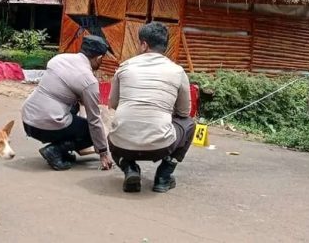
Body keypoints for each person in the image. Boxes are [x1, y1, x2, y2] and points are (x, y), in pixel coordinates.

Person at [108, 22, 196, 193]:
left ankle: (129, 169)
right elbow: (184, 112)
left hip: (122, 145)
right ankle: (163, 177)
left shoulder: (124, 67)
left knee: (113, 128)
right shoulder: (177, 71)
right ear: (164, 46)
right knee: (189, 125)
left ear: (144, 45)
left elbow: (113, 104)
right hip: (161, 145)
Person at [22, 35, 114, 171]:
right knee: (91, 131)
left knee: (74, 106)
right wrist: (103, 152)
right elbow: (94, 120)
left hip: (28, 118)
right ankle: (55, 150)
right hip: (45, 124)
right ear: (99, 58)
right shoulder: (88, 81)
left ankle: (62, 150)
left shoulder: (58, 59)